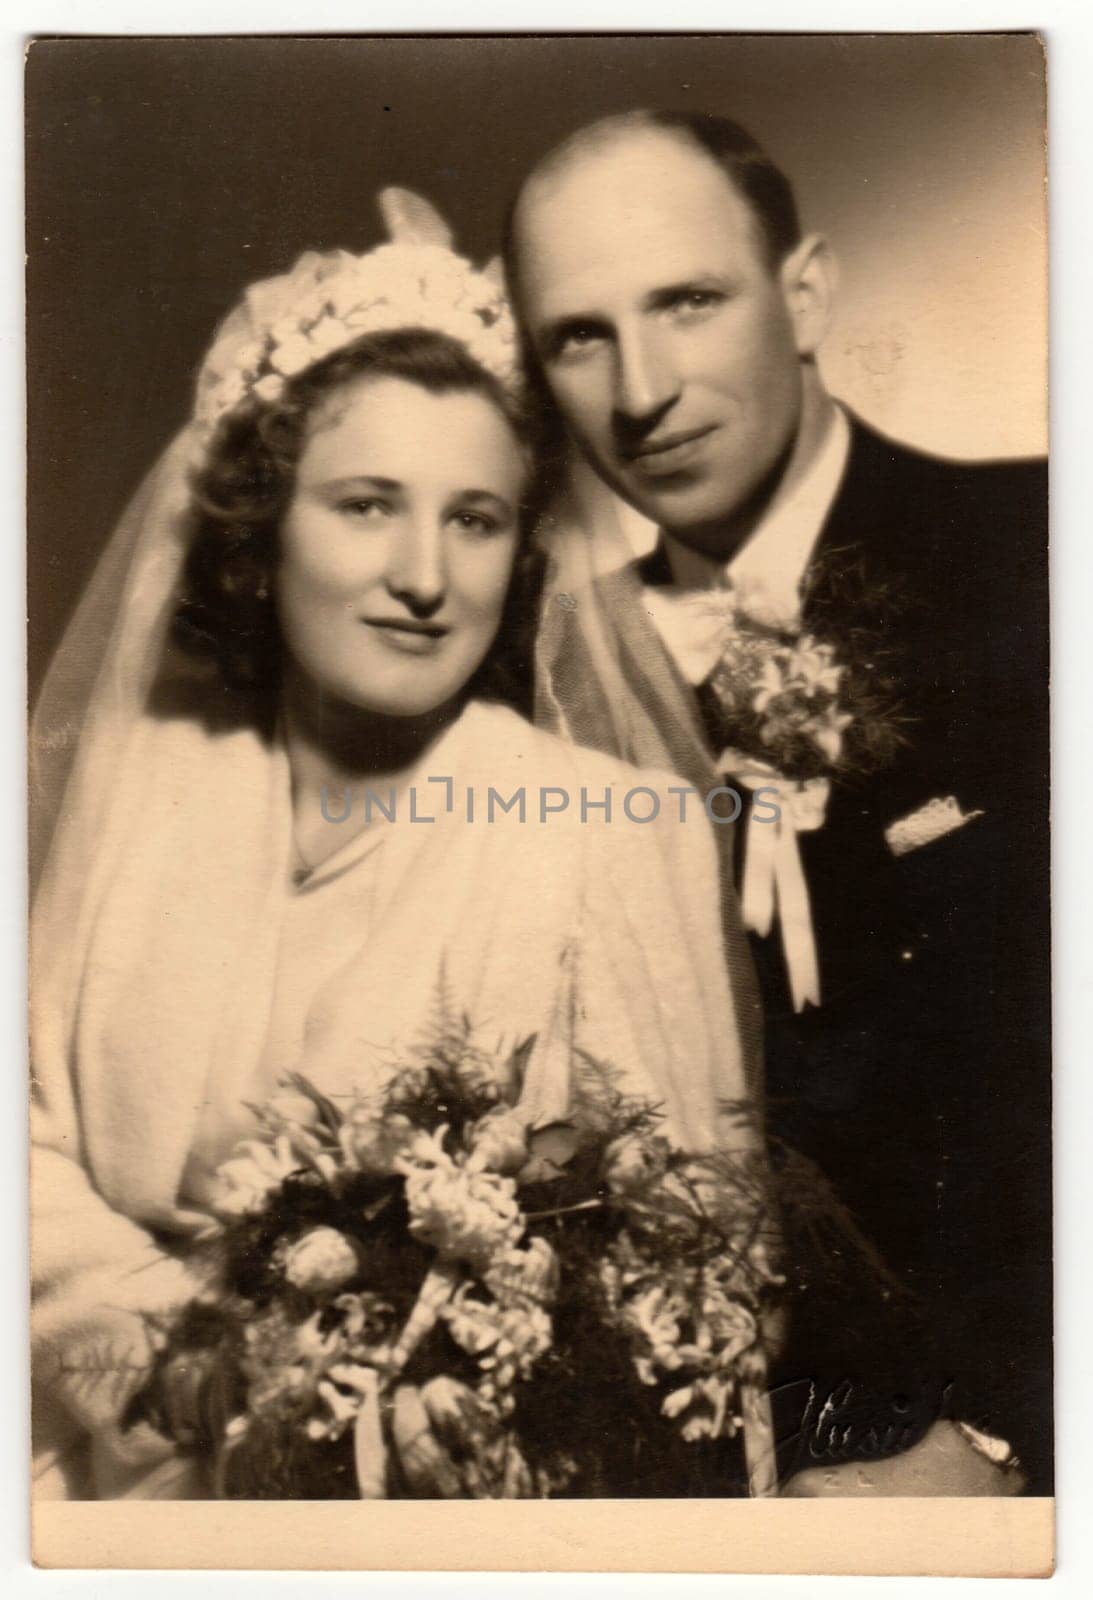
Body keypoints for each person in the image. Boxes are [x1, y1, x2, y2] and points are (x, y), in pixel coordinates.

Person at [29, 190, 767, 1500]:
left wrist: (377, 1407)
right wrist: (167, 1370)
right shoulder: (145, 789)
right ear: (261, 535)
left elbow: (685, 1275)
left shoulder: (618, 834)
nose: (425, 577)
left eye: (474, 518)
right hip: (88, 1446)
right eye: (367, 506)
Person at [506, 109, 1050, 1494]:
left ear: (803, 293)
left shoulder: (1043, 562)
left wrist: (1012, 1444)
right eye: (578, 335)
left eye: (686, 302)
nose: (641, 389)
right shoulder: (518, 676)